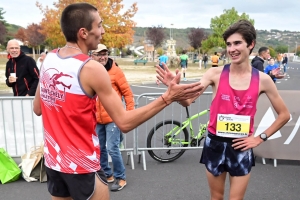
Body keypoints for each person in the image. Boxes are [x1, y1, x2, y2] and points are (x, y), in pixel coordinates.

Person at [33, 3, 203, 200]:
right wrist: (167, 98)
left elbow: (37, 108)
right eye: (99, 25)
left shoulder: (50, 58)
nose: (103, 31)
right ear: (83, 33)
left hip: (55, 162)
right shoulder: (91, 68)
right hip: (81, 165)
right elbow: (124, 122)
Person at [156, 19, 290, 200]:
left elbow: (284, 115)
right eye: (228, 44)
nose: (231, 49)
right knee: (216, 197)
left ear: (251, 44)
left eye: (237, 43)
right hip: (215, 144)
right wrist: (175, 90)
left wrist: (259, 139)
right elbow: (188, 101)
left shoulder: (263, 80)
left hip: (241, 146)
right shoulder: (215, 74)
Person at [91, 43, 134, 191]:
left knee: (112, 148)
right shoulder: (90, 71)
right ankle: (107, 175)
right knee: (100, 148)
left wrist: (129, 113)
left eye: (105, 53)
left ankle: (120, 177)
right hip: (97, 119)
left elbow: (128, 93)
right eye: (99, 54)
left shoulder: (116, 71)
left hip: (113, 118)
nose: (103, 57)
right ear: (93, 56)